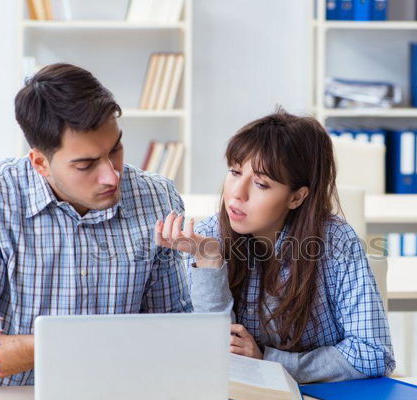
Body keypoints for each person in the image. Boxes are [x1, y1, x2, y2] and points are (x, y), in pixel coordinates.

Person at [0, 63, 191, 386]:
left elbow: (175, 330)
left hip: (124, 399)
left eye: (116, 149)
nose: (112, 175)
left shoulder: (157, 198)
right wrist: (78, 341)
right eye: (86, 164)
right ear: (40, 162)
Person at [156, 110, 395, 383]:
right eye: (234, 172)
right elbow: (214, 355)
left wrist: (269, 361)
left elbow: (374, 354)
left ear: (297, 197)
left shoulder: (336, 242)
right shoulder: (209, 237)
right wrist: (209, 264)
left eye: (260, 184)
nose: (237, 193)